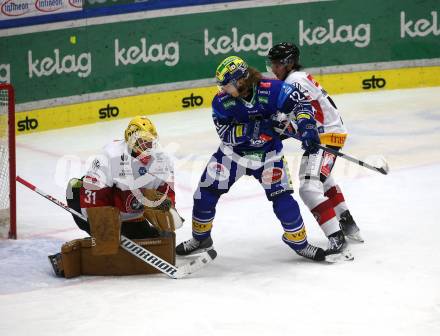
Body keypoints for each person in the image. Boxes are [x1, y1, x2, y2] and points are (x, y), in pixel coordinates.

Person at [176, 55, 328, 262]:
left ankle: (299, 243)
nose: (222, 89)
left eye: (226, 84)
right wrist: (256, 128)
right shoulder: (221, 102)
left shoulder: (273, 89)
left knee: (284, 200)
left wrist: (308, 127)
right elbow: (226, 134)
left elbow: (301, 105)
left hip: (268, 157)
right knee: (205, 194)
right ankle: (201, 239)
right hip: (232, 155)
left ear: (240, 80)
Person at [49, 116, 181, 277]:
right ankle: (70, 258)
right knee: (107, 246)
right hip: (88, 204)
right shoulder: (110, 156)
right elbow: (93, 199)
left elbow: (167, 196)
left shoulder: (162, 159)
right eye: (141, 142)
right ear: (130, 141)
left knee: (155, 242)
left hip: (130, 214)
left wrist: (165, 207)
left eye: (150, 142)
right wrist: (105, 228)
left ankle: (120, 234)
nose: (147, 147)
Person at [266, 42, 363, 246]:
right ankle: (349, 226)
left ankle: (337, 240)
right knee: (324, 181)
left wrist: (282, 125)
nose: (273, 69)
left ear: (289, 63)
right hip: (329, 132)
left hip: (326, 136)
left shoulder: (295, 81)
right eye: (272, 64)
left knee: (309, 188)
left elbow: (303, 113)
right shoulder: (296, 78)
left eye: (277, 64)